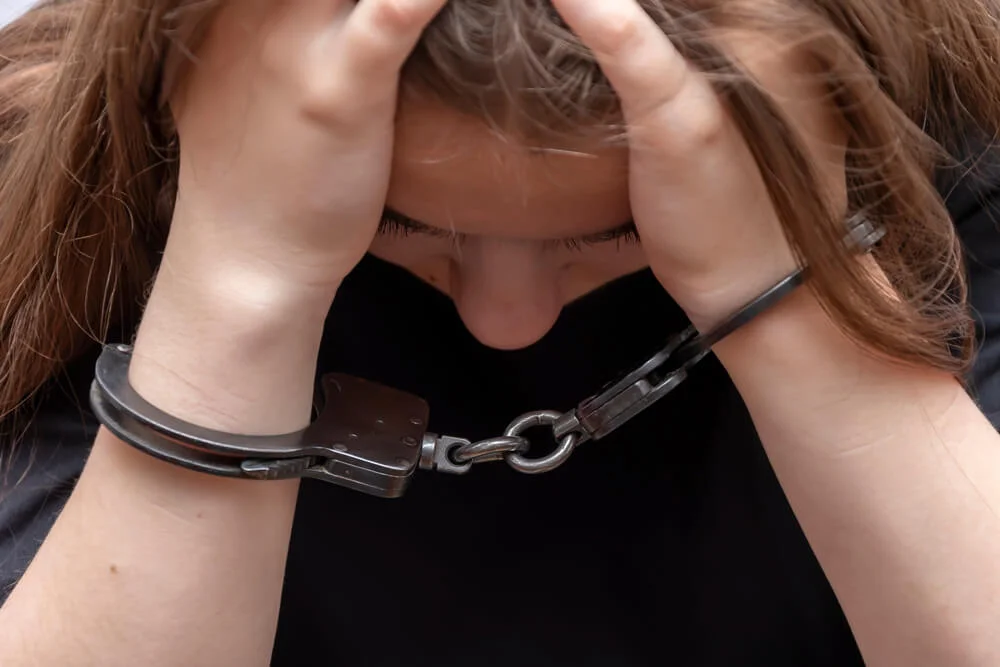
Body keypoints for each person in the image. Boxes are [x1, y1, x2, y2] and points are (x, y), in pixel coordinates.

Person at [0, 0, 999, 664]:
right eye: (400, 224)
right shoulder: (63, 190)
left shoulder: (958, 151)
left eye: (613, 232)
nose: (504, 319)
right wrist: (238, 277)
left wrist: (790, 274)